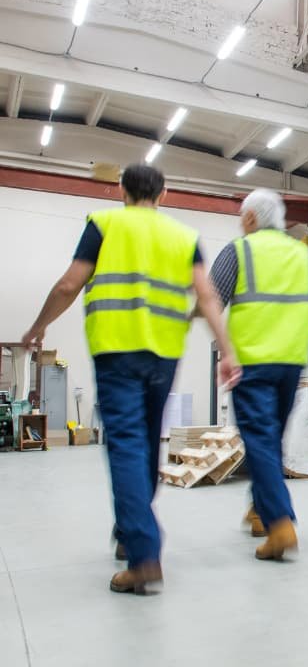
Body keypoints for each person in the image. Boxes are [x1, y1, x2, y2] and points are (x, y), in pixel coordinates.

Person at [22, 164, 240, 594]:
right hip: (163, 355)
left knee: (124, 446)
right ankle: (129, 532)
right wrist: (227, 351)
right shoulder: (184, 236)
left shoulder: (104, 224)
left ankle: (143, 553)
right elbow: (208, 296)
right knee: (142, 445)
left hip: (116, 351)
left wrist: (38, 326)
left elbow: (69, 285)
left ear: (121, 190)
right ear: (164, 193)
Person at [209, 189, 308, 561]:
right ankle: (260, 510)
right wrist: (295, 337)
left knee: (260, 441)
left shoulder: (239, 251)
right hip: (290, 364)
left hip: (251, 363)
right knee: (270, 438)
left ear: (249, 219)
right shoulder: (303, 254)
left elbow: (212, 300)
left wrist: (224, 351)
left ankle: (280, 523)